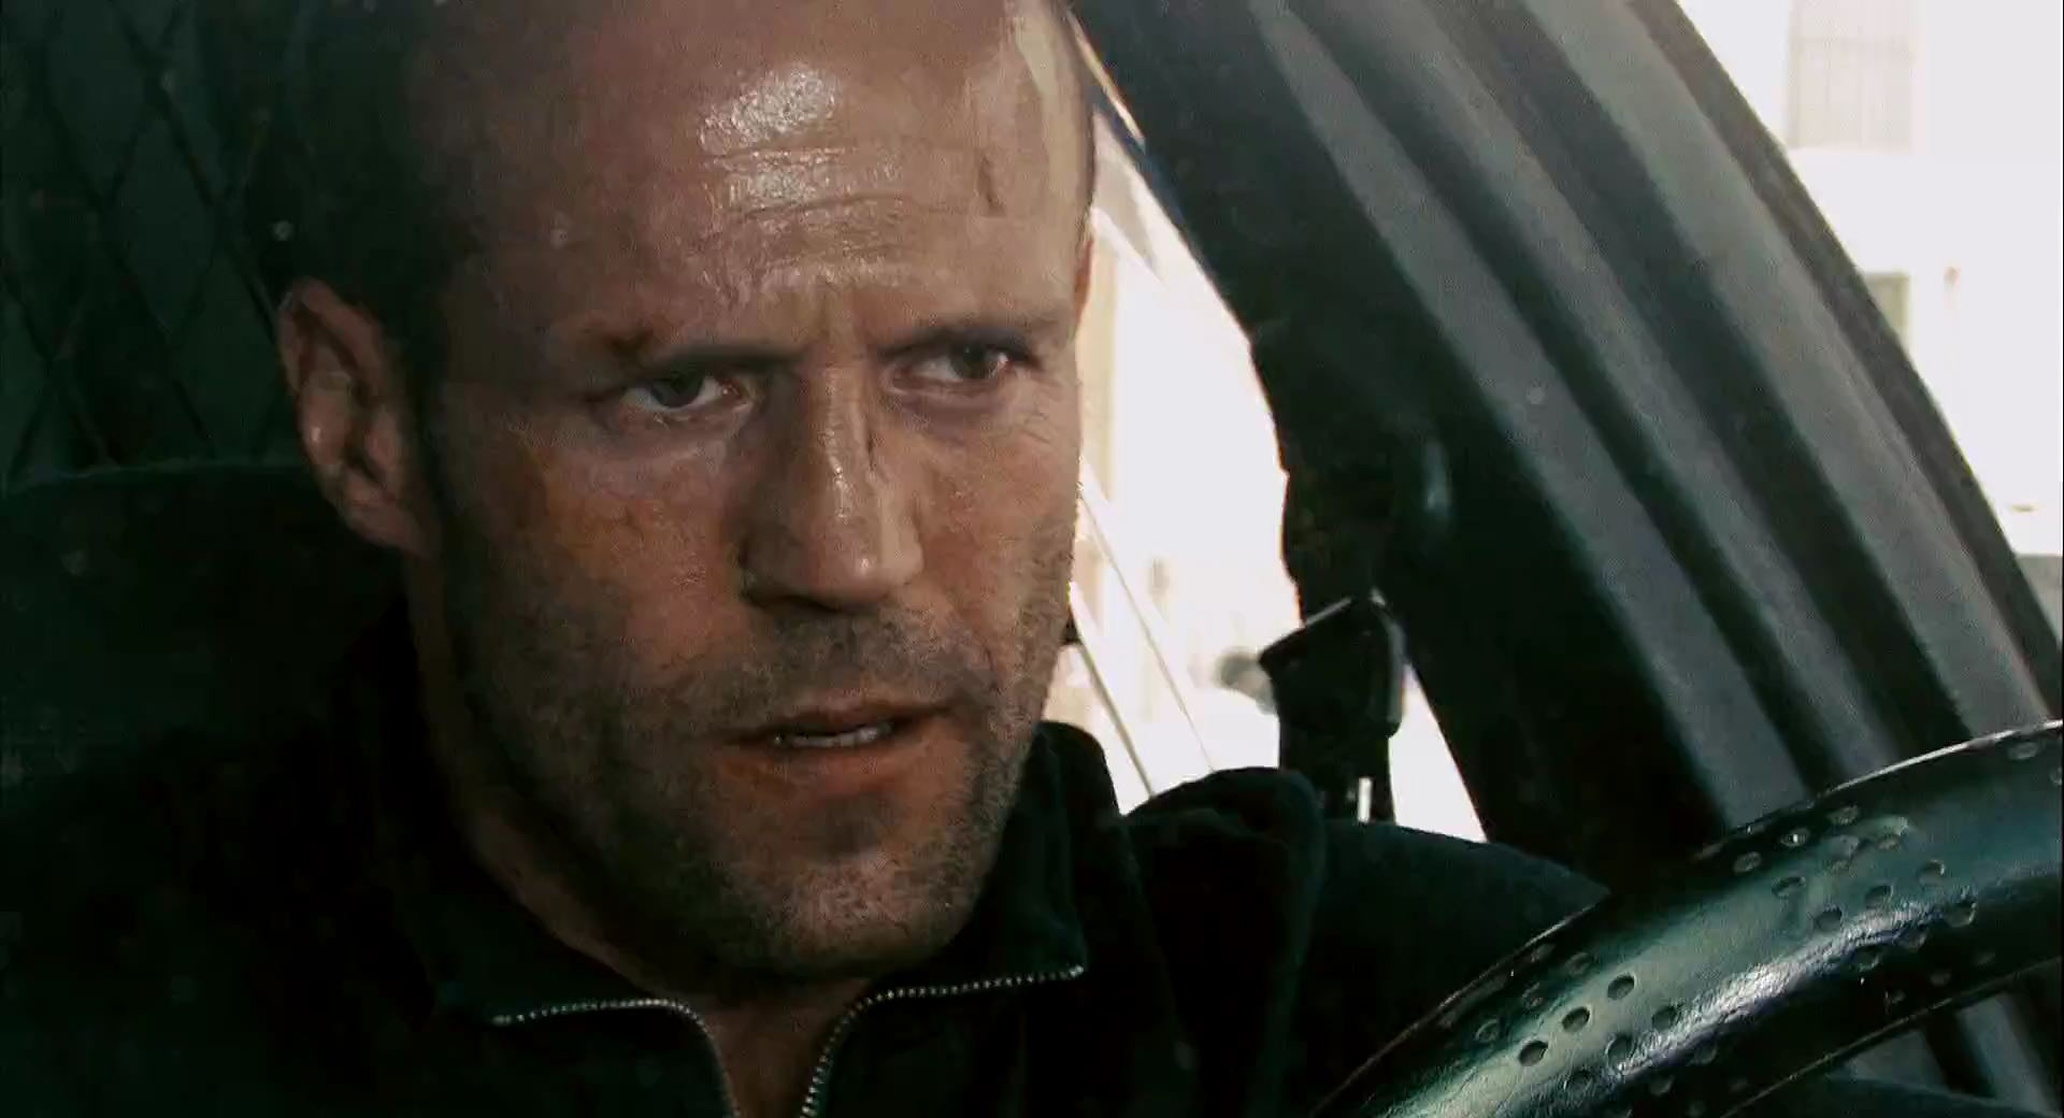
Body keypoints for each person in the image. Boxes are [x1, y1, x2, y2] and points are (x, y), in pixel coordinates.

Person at [0, 2, 2045, 1116]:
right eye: (680, 389)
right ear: (363, 421)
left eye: (966, 365)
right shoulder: (83, 1022)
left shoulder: (1346, 1004)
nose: (848, 543)